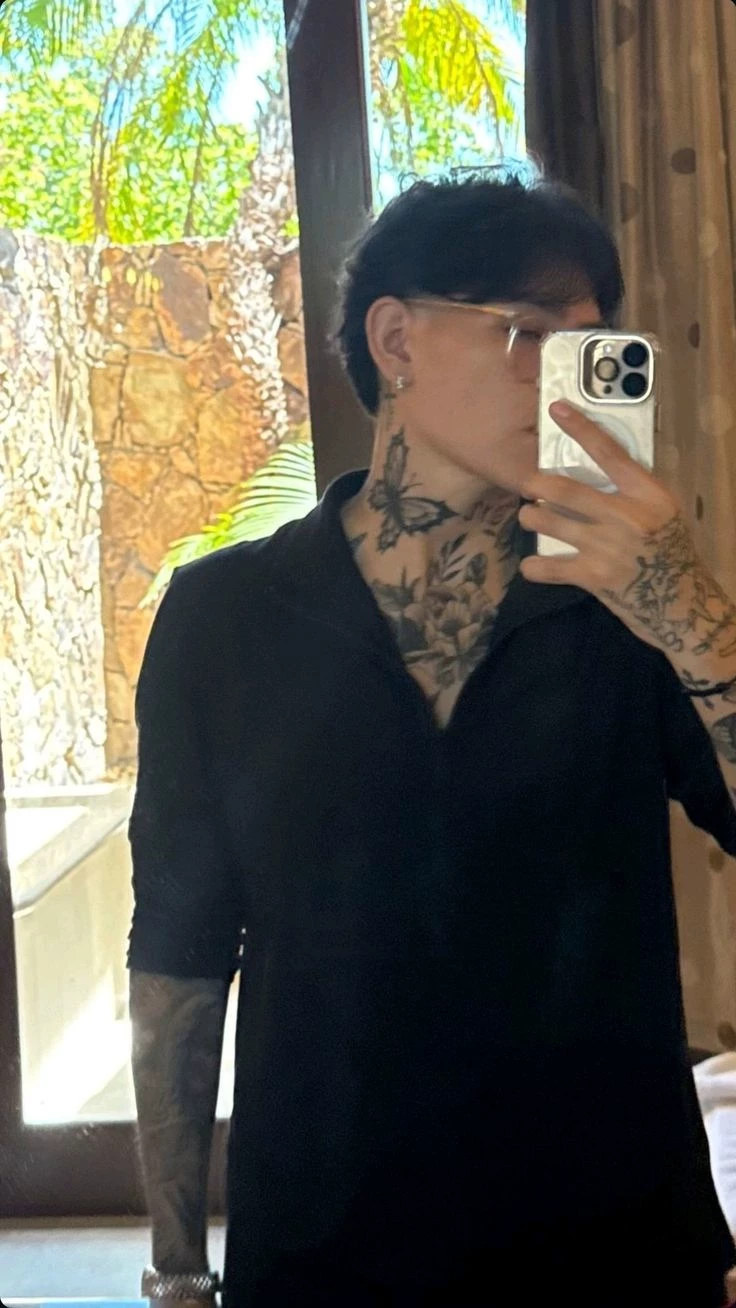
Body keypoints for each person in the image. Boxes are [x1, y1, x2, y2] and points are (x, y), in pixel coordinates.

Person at [128, 171, 736, 1308]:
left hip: (616, 1251)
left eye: (589, 345)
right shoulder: (225, 616)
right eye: (527, 333)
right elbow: (180, 946)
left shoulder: (629, 606)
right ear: (396, 341)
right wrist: (175, 1264)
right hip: (325, 1248)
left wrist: (691, 614)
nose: (562, 375)